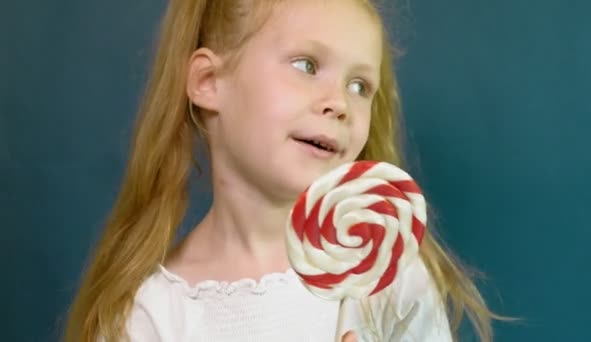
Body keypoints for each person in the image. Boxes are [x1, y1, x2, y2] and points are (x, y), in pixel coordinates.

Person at [64, 0, 499, 341]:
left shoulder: (388, 276)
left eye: (360, 85)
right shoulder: (149, 316)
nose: (340, 103)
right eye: (307, 65)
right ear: (209, 82)